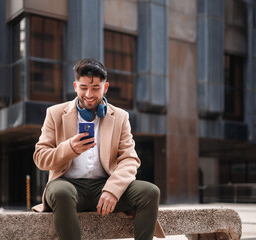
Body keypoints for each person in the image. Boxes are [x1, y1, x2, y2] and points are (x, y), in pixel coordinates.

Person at [32, 58, 165, 240]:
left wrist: (113, 189)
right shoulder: (55, 113)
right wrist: (69, 148)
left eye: (95, 88)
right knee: (62, 192)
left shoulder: (120, 117)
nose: (89, 94)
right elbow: (40, 157)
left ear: (106, 87)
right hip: (67, 185)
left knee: (150, 192)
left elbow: (129, 159)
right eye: (83, 87)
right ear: (75, 86)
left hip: (103, 186)